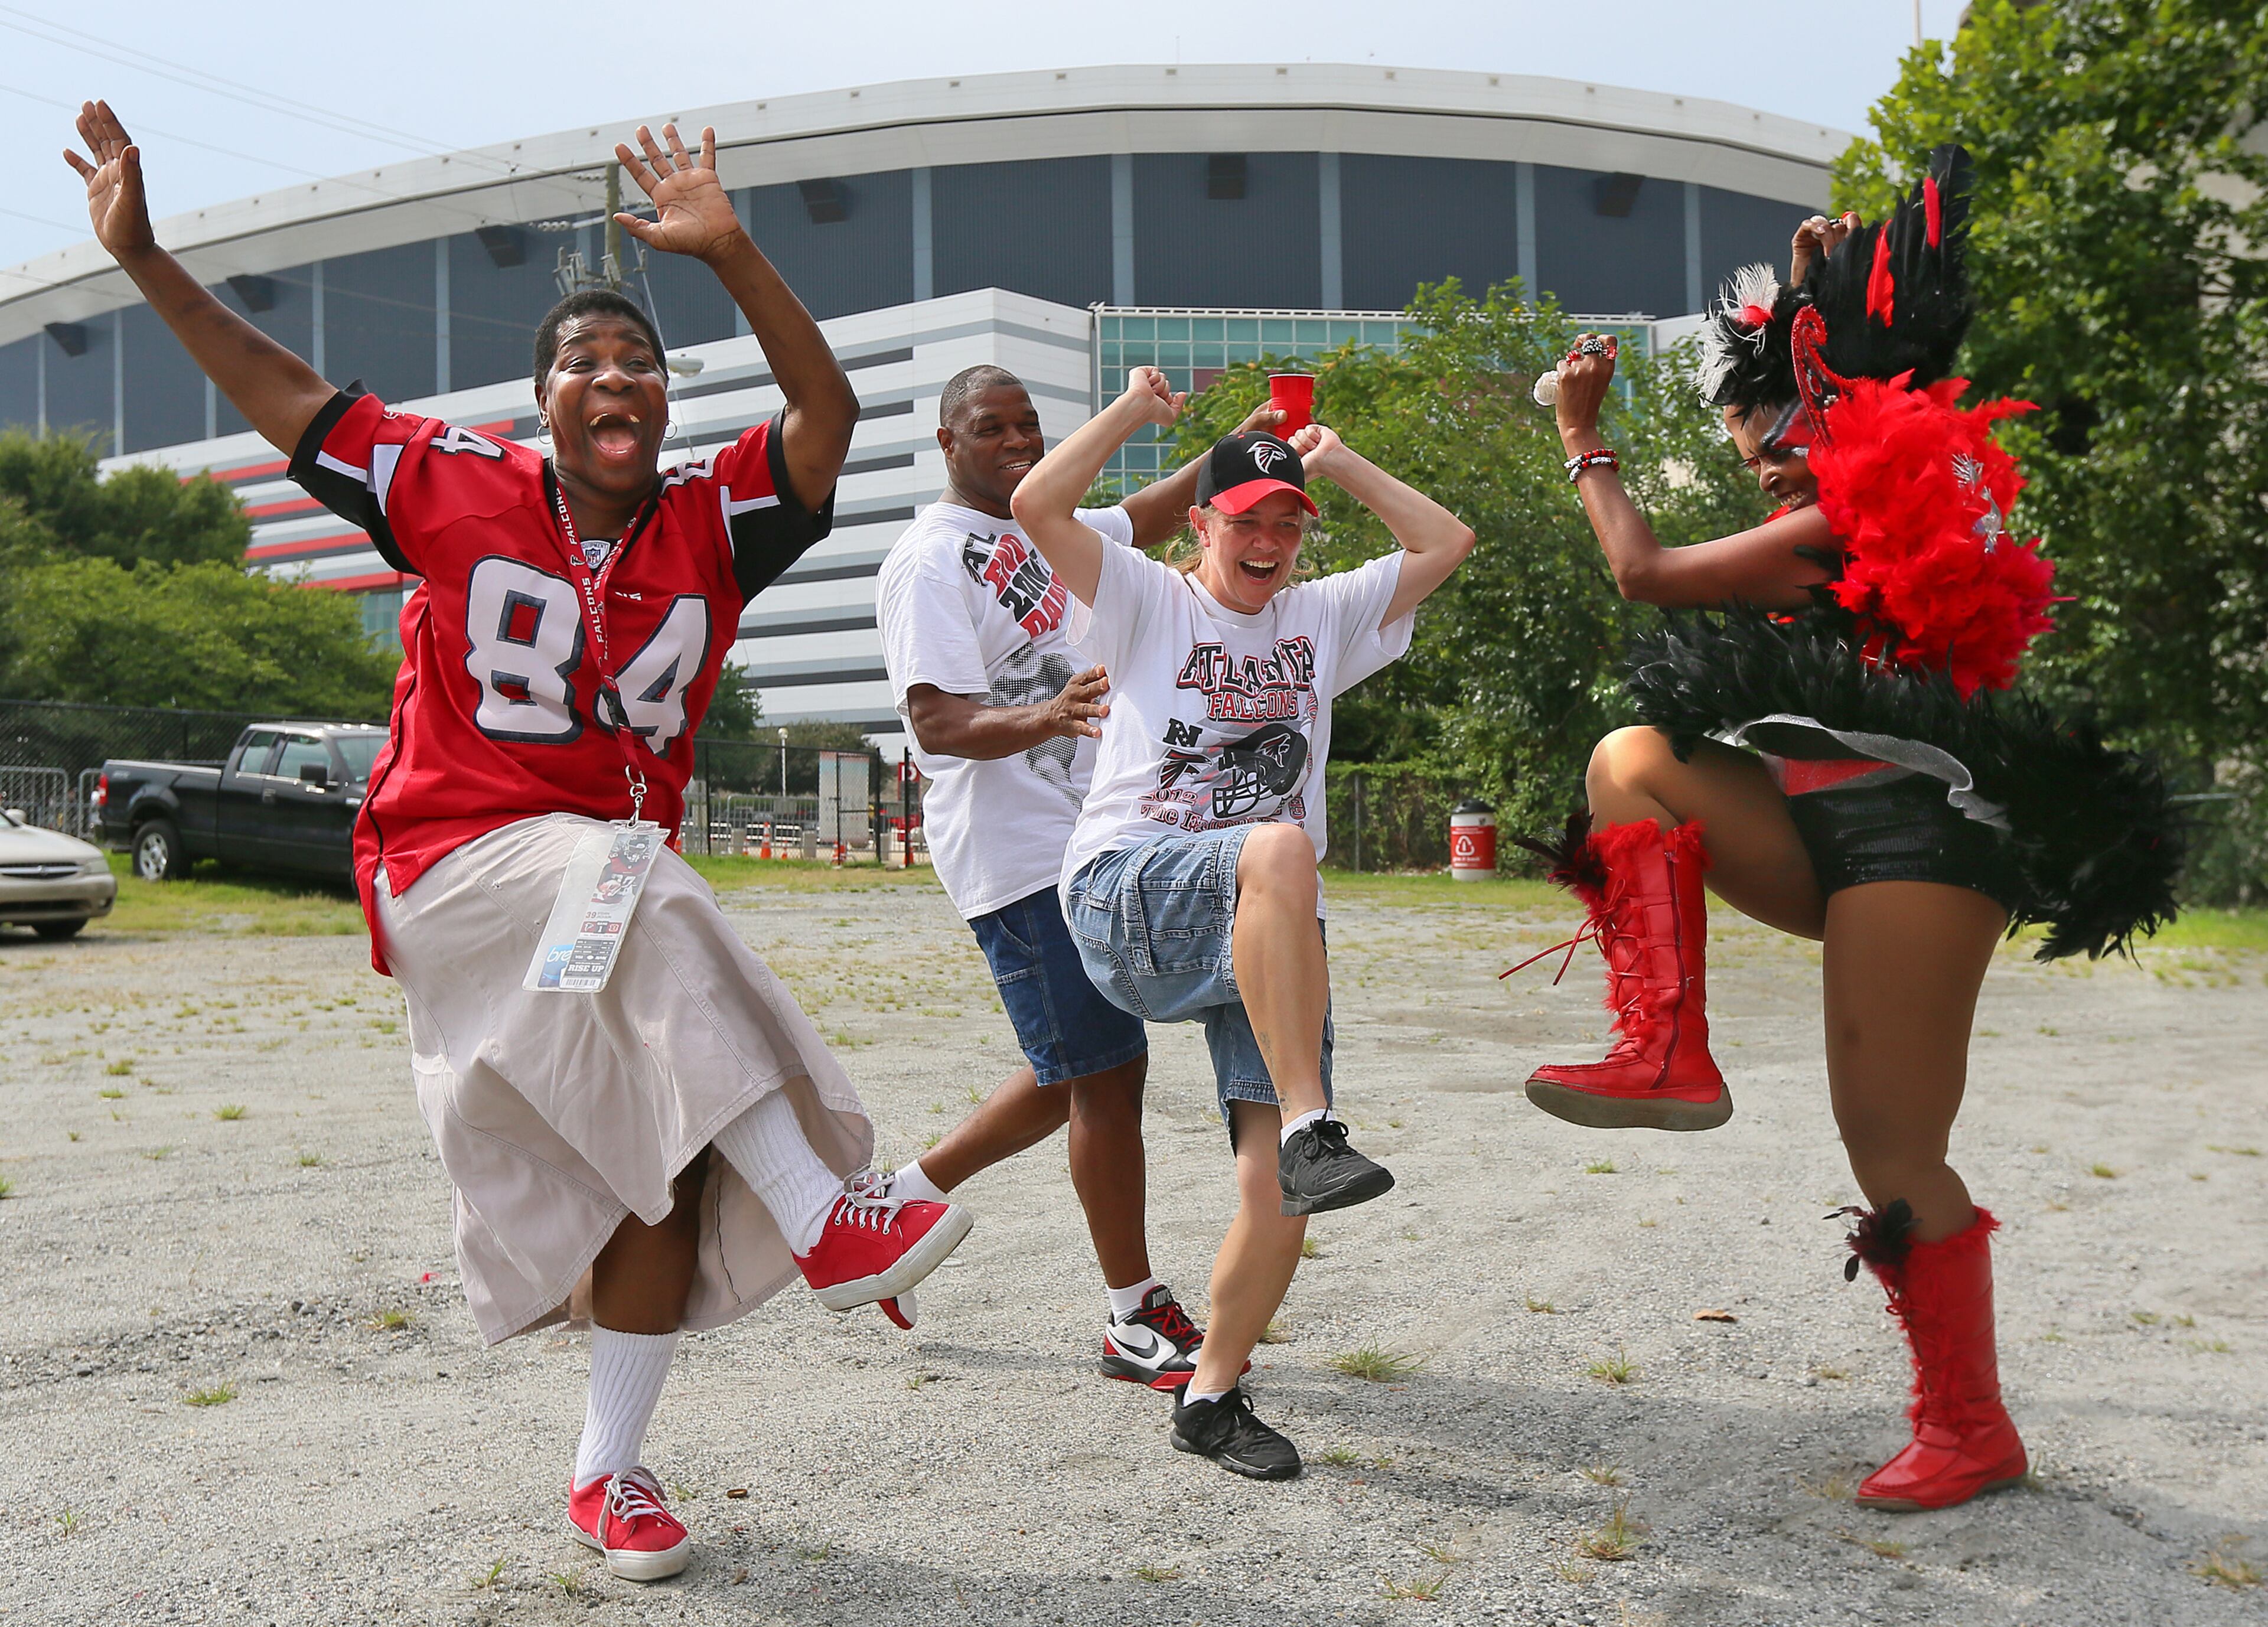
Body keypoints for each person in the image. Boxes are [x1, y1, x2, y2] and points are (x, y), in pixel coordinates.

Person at [66, 103, 976, 1582]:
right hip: (458, 867)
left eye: (640, 363)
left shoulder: (711, 518)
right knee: (631, 874)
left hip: (601, 900)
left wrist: (734, 249)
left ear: (664, 404)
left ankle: (605, 1476)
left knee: (662, 1170)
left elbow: (825, 421)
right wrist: (152, 260)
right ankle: (829, 1215)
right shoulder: (451, 481)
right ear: (540, 398)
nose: (614, 374)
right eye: (583, 360)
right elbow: (285, 390)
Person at [1516, 146, 2179, 1511]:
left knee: (1890, 1145)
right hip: (1823, 831)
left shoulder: (1850, 515)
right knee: (1630, 758)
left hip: (1921, 846)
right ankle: (1667, 1049)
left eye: (1771, 423)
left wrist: (1585, 438)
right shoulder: (1841, 498)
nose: (1751, 449)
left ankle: (1969, 1424)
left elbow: (1642, 571)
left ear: (1837, 415)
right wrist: (1818, 278)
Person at [1010, 369, 1475, 1478]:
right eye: (1245, 521)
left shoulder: (1321, 618)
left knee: (1274, 1187)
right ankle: (1320, 1127)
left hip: (1261, 924)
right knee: (1282, 845)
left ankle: (1211, 1395)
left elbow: (1447, 541)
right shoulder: (1146, 598)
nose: (1267, 540)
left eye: (1286, 525)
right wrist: (1133, 415)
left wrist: (1335, 462)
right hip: (1129, 891)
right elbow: (1037, 507)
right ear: (1204, 525)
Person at [876, 369, 1285, 1390]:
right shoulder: (930, 558)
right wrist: (1048, 716)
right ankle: (1132, 1315)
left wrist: (1235, 446)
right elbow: (935, 723)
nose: (1015, 442)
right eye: (990, 429)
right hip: (1013, 852)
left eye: (1028, 427)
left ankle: (890, 1204)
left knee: (1078, 1071)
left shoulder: (1035, 529)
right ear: (944, 441)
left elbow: (1146, 515)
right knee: (1103, 1075)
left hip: (1091, 840)